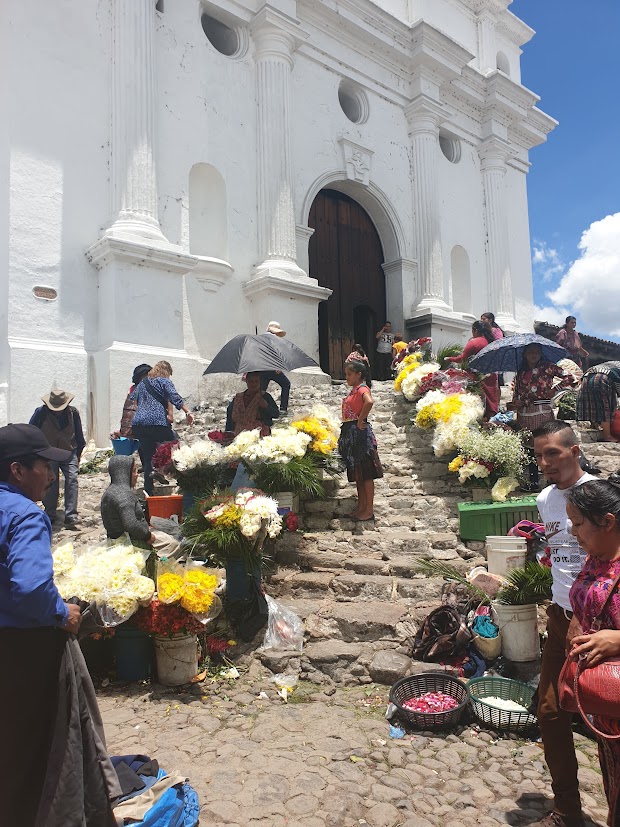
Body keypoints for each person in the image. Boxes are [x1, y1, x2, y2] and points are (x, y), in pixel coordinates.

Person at [0, 423, 119, 826]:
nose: (51, 477)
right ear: (17, 471)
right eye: (43, 467)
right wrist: (61, 612)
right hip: (23, 649)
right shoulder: (25, 516)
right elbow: (31, 588)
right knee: (35, 751)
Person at [531, 420, 598, 827]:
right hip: (560, 616)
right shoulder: (544, 499)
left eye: (552, 453)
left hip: (600, 616)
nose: (545, 462)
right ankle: (567, 808)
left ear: (575, 450)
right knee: (550, 711)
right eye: (539, 455)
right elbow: (558, 553)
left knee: (607, 716)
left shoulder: (600, 495)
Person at [565, 479, 620, 827]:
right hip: (607, 713)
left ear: (608, 522)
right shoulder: (595, 560)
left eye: (579, 523)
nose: (573, 532)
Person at [508, 343, 574, 489]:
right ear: (525, 354)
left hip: (542, 410)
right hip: (525, 413)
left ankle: (552, 480)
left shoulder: (547, 367)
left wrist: (554, 389)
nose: (534, 355)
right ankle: (533, 482)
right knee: (530, 447)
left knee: (546, 444)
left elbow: (569, 377)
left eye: (536, 352)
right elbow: (517, 393)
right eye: (530, 352)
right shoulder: (521, 372)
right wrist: (516, 402)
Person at [130, 360, 194, 495]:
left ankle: (148, 490)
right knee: (175, 447)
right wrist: (187, 412)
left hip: (139, 424)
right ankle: (184, 483)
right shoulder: (164, 381)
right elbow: (175, 397)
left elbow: (132, 398)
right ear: (165, 372)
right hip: (157, 421)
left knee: (148, 457)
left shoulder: (142, 384)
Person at [30, 389, 86, 527]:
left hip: (69, 451)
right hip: (49, 453)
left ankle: (71, 515)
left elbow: (79, 435)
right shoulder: (40, 413)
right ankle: (50, 513)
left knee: (72, 479)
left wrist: (78, 454)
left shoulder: (73, 413)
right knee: (50, 481)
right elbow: (32, 430)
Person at [338, 357, 383, 521]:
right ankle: (361, 508)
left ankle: (368, 510)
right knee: (359, 475)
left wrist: (360, 420)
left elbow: (369, 402)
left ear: (359, 374)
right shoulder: (355, 390)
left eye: (349, 374)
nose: (347, 377)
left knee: (366, 474)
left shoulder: (363, 389)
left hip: (361, 436)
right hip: (352, 435)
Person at [445, 321, 499, 417]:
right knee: (491, 399)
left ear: (475, 330)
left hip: (478, 377)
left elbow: (463, 358)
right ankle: (492, 418)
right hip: (491, 375)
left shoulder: (474, 342)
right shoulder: (492, 342)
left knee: (481, 400)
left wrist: (450, 359)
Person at [101, 455, 154, 545]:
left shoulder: (109, 491)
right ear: (124, 473)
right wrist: (148, 536)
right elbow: (131, 524)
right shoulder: (124, 495)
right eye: (133, 471)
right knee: (172, 543)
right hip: (131, 542)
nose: (137, 475)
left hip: (115, 541)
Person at [576, 360, 620, 443]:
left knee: (591, 402)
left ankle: (594, 426)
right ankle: (607, 436)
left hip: (587, 376)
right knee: (606, 405)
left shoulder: (616, 364)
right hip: (602, 377)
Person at [225, 371, 279, 436]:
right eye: (251, 381)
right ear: (246, 382)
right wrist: (227, 433)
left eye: (256, 381)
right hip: (239, 435)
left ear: (260, 382)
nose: (254, 384)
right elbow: (230, 414)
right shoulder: (238, 398)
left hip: (258, 433)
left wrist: (266, 407)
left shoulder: (265, 397)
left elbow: (276, 414)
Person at [260, 321, 291, 413]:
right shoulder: (273, 339)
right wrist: (277, 365)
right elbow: (273, 353)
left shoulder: (261, 338)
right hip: (272, 368)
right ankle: (283, 408)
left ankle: (257, 409)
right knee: (286, 384)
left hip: (262, 368)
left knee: (261, 391)